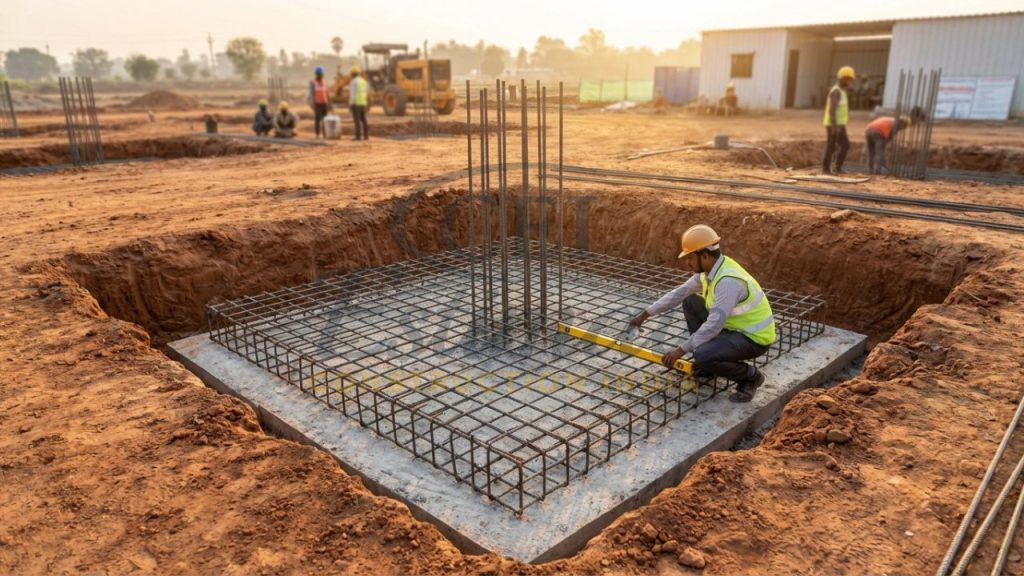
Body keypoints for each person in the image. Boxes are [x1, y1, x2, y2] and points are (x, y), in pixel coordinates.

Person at [628, 224, 777, 403]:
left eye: (690, 258)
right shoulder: (709, 272)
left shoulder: (728, 281)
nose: (688, 263)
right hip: (732, 328)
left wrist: (680, 350)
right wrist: (645, 315)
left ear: (704, 255)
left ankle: (751, 377)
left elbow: (714, 325)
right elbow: (679, 293)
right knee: (690, 301)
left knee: (703, 355)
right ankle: (710, 365)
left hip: (753, 338)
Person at [864, 107, 922, 174]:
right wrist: (887, 141)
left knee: (871, 152)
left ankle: (870, 170)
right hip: (879, 132)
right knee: (880, 153)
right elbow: (893, 132)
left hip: (868, 130)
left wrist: (886, 140)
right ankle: (878, 170)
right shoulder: (902, 122)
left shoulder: (894, 120)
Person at [822, 66, 855, 174]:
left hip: (840, 124)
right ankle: (826, 169)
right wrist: (834, 126)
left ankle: (837, 167)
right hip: (834, 124)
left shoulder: (842, 91)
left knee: (845, 145)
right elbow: (832, 110)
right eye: (849, 79)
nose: (850, 82)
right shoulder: (836, 91)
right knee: (831, 146)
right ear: (843, 78)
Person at [308, 66, 331, 139]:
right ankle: (317, 134)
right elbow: (311, 94)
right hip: (317, 103)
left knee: (325, 120)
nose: (320, 75)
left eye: (321, 74)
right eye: (319, 74)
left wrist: (329, 103)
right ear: (316, 74)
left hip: (325, 103)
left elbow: (327, 93)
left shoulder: (325, 82)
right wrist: (312, 104)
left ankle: (325, 134)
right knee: (317, 120)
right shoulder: (313, 82)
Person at [348, 65, 369, 141]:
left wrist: (350, 104)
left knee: (357, 121)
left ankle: (358, 137)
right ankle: (366, 136)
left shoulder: (353, 82)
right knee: (364, 120)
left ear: (353, 73)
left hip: (356, 103)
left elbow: (352, 94)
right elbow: (366, 92)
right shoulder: (364, 81)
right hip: (363, 103)